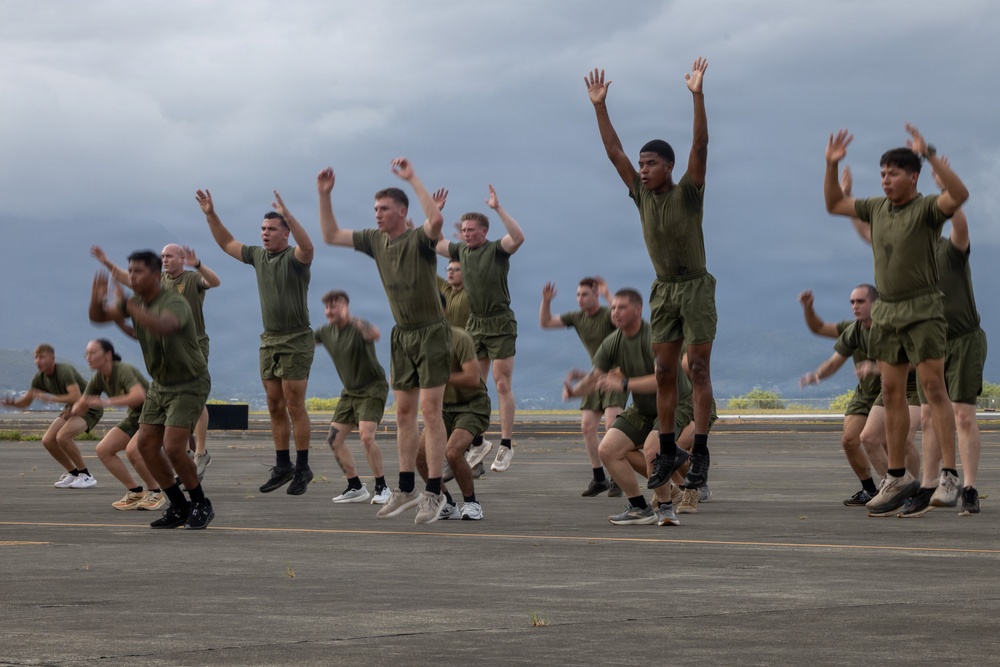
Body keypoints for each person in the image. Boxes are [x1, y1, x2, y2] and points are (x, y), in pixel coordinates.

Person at [585, 58, 716, 494]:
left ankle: (700, 449)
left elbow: (700, 145)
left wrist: (697, 96)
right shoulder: (641, 196)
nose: (642, 169)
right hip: (663, 290)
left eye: (651, 163)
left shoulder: (688, 193)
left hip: (695, 286)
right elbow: (614, 153)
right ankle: (668, 447)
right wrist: (600, 106)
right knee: (664, 371)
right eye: (641, 164)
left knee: (698, 368)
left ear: (669, 168)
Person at [824, 124, 969, 515]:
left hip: (922, 308)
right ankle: (898, 475)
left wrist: (930, 151)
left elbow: (959, 195)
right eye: (882, 173)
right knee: (890, 394)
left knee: (932, 388)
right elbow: (834, 203)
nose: (886, 180)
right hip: (887, 310)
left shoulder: (927, 209)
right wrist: (831, 164)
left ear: (914, 177)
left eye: (894, 173)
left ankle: (949, 475)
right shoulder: (876, 207)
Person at [847, 160, 986, 517]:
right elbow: (869, 233)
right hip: (930, 341)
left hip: (962, 339)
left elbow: (959, 221)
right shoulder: (904, 254)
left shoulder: (949, 250)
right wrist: (848, 201)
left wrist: (944, 187)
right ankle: (926, 486)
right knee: (925, 419)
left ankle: (968, 487)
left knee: (963, 416)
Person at [317, 159, 451, 524]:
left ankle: (434, 492)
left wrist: (412, 178)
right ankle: (405, 488)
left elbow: (436, 221)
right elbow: (330, 235)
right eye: (375, 208)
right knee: (403, 413)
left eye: (384, 208)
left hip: (431, 332)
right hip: (401, 334)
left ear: (402, 212)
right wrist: (324, 194)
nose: (377, 214)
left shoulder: (419, 239)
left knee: (430, 413)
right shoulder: (375, 240)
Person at [197, 188, 315, 495]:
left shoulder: (295, 258)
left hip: (296, 338)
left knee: (294, 405)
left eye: (271, 229)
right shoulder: (258, 256)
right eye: (262, 228)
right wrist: (211, 214)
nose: (265, 233)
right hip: (269, 339)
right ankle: (283, 465)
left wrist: (289, 215)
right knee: (274, 404)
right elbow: (227, 243)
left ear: (285, 233)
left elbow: (308, 246)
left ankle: (303, 468)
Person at [88, 251, 214, 529]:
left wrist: (127, 308)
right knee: (144, 446)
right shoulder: (136, 302)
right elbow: (98, 316)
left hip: (189, 383)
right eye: (130, 270)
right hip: (161, 384)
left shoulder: (174, 302)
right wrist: (98, 299)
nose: (131, 276)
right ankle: (178, 506)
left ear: (156, 275)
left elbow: (163, 326)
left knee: (173, 448)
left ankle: (200, 503)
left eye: (138, 271)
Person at [563, 289, 681, 527]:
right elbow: (595, 378)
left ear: (638, 310)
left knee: (652, 450)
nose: (615, 312)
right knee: (607, 449)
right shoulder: (613, 342)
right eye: (614, 308)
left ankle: (666, 508)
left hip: (674, 405)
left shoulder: (654, 338)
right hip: (643, 409)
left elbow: (664, 380)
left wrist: (625, 383)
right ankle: (639, 507)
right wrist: (575, 392)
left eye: (622, 307)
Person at [434, 186, 525, 473]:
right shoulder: (461, 250)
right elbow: (436, 243)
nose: (466, 234)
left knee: (501, 382)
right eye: (463, 230)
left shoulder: (496, 249)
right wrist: (435, 212)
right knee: (474, 383)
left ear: (484, 231)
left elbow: (518, 238)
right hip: (476, 323)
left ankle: (506, 445)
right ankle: (478, 441)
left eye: (471, 230)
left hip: (500, 321)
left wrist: (497, 208)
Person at [539, 276, 626, 497]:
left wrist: (608, 294)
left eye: (585, 294)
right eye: (578, 295)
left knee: (611, 425)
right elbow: (546, 323)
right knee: (587, 426)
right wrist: (546, 301)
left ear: (595, 295)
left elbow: (624, 320)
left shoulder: (607, 314)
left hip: (616, 375)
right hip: (595, 375)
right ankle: (599, 478)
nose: (580, 298)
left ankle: (617, 478)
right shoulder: (577, 317)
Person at [798, 285, 885, 505]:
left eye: (860, 301)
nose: (855, 306)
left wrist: (876, 368)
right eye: (852, 302)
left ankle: (898, 488)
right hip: (865, 394)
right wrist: (808, 308)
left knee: (882, 442)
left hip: (890, 391)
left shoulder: (889, 328)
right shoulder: (853, 329)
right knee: (849, 440)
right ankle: (870, 490)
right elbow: (819, 330)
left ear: (876, 304)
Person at [314, 289, 391, 506]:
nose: (329, 311)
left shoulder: (358, 327)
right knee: (333, 439)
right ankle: (355, 486)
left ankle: (382, 487)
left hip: (372, 388)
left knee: (366, 437)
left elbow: (374, 334)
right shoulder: (325, 332)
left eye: (334, 305)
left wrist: (352, 319)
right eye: (327, 307)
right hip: (350, 392)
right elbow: (304, 341)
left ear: (345, 306)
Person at [415, 315, 492, 522]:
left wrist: (440, 377)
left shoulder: (459, 338)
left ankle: (472, 503)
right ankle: (446, 503)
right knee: (419, 455)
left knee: (452, 451)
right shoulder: (417, 342)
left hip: (472, 406)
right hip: (443, 407)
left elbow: (473, 378)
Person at [73, 339, 164, 511]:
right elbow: (84, 401)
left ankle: (155, 492)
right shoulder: (99, 377)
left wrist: (107, 402)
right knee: (103, 450)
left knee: (133, 451)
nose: (88, 357)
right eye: (87, 354)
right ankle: (136, 492)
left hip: (156, 415)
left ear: (108, 355)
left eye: (93, 353)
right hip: (136, 417)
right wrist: (76, 408)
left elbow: (139, 396)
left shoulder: (122, 370)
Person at [2, 344, 103, 488]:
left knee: (62, 437)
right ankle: (73, 473)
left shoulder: (64, 371)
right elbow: (26, 401)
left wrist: (49, 399)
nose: (38, 361)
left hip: (90, 406)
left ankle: (86, 476)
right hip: (71, 407)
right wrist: (12, 403)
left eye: (42, 357)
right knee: (48, 440)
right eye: (36, 357)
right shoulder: (39, 378)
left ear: (52, 359)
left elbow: (75, 396)